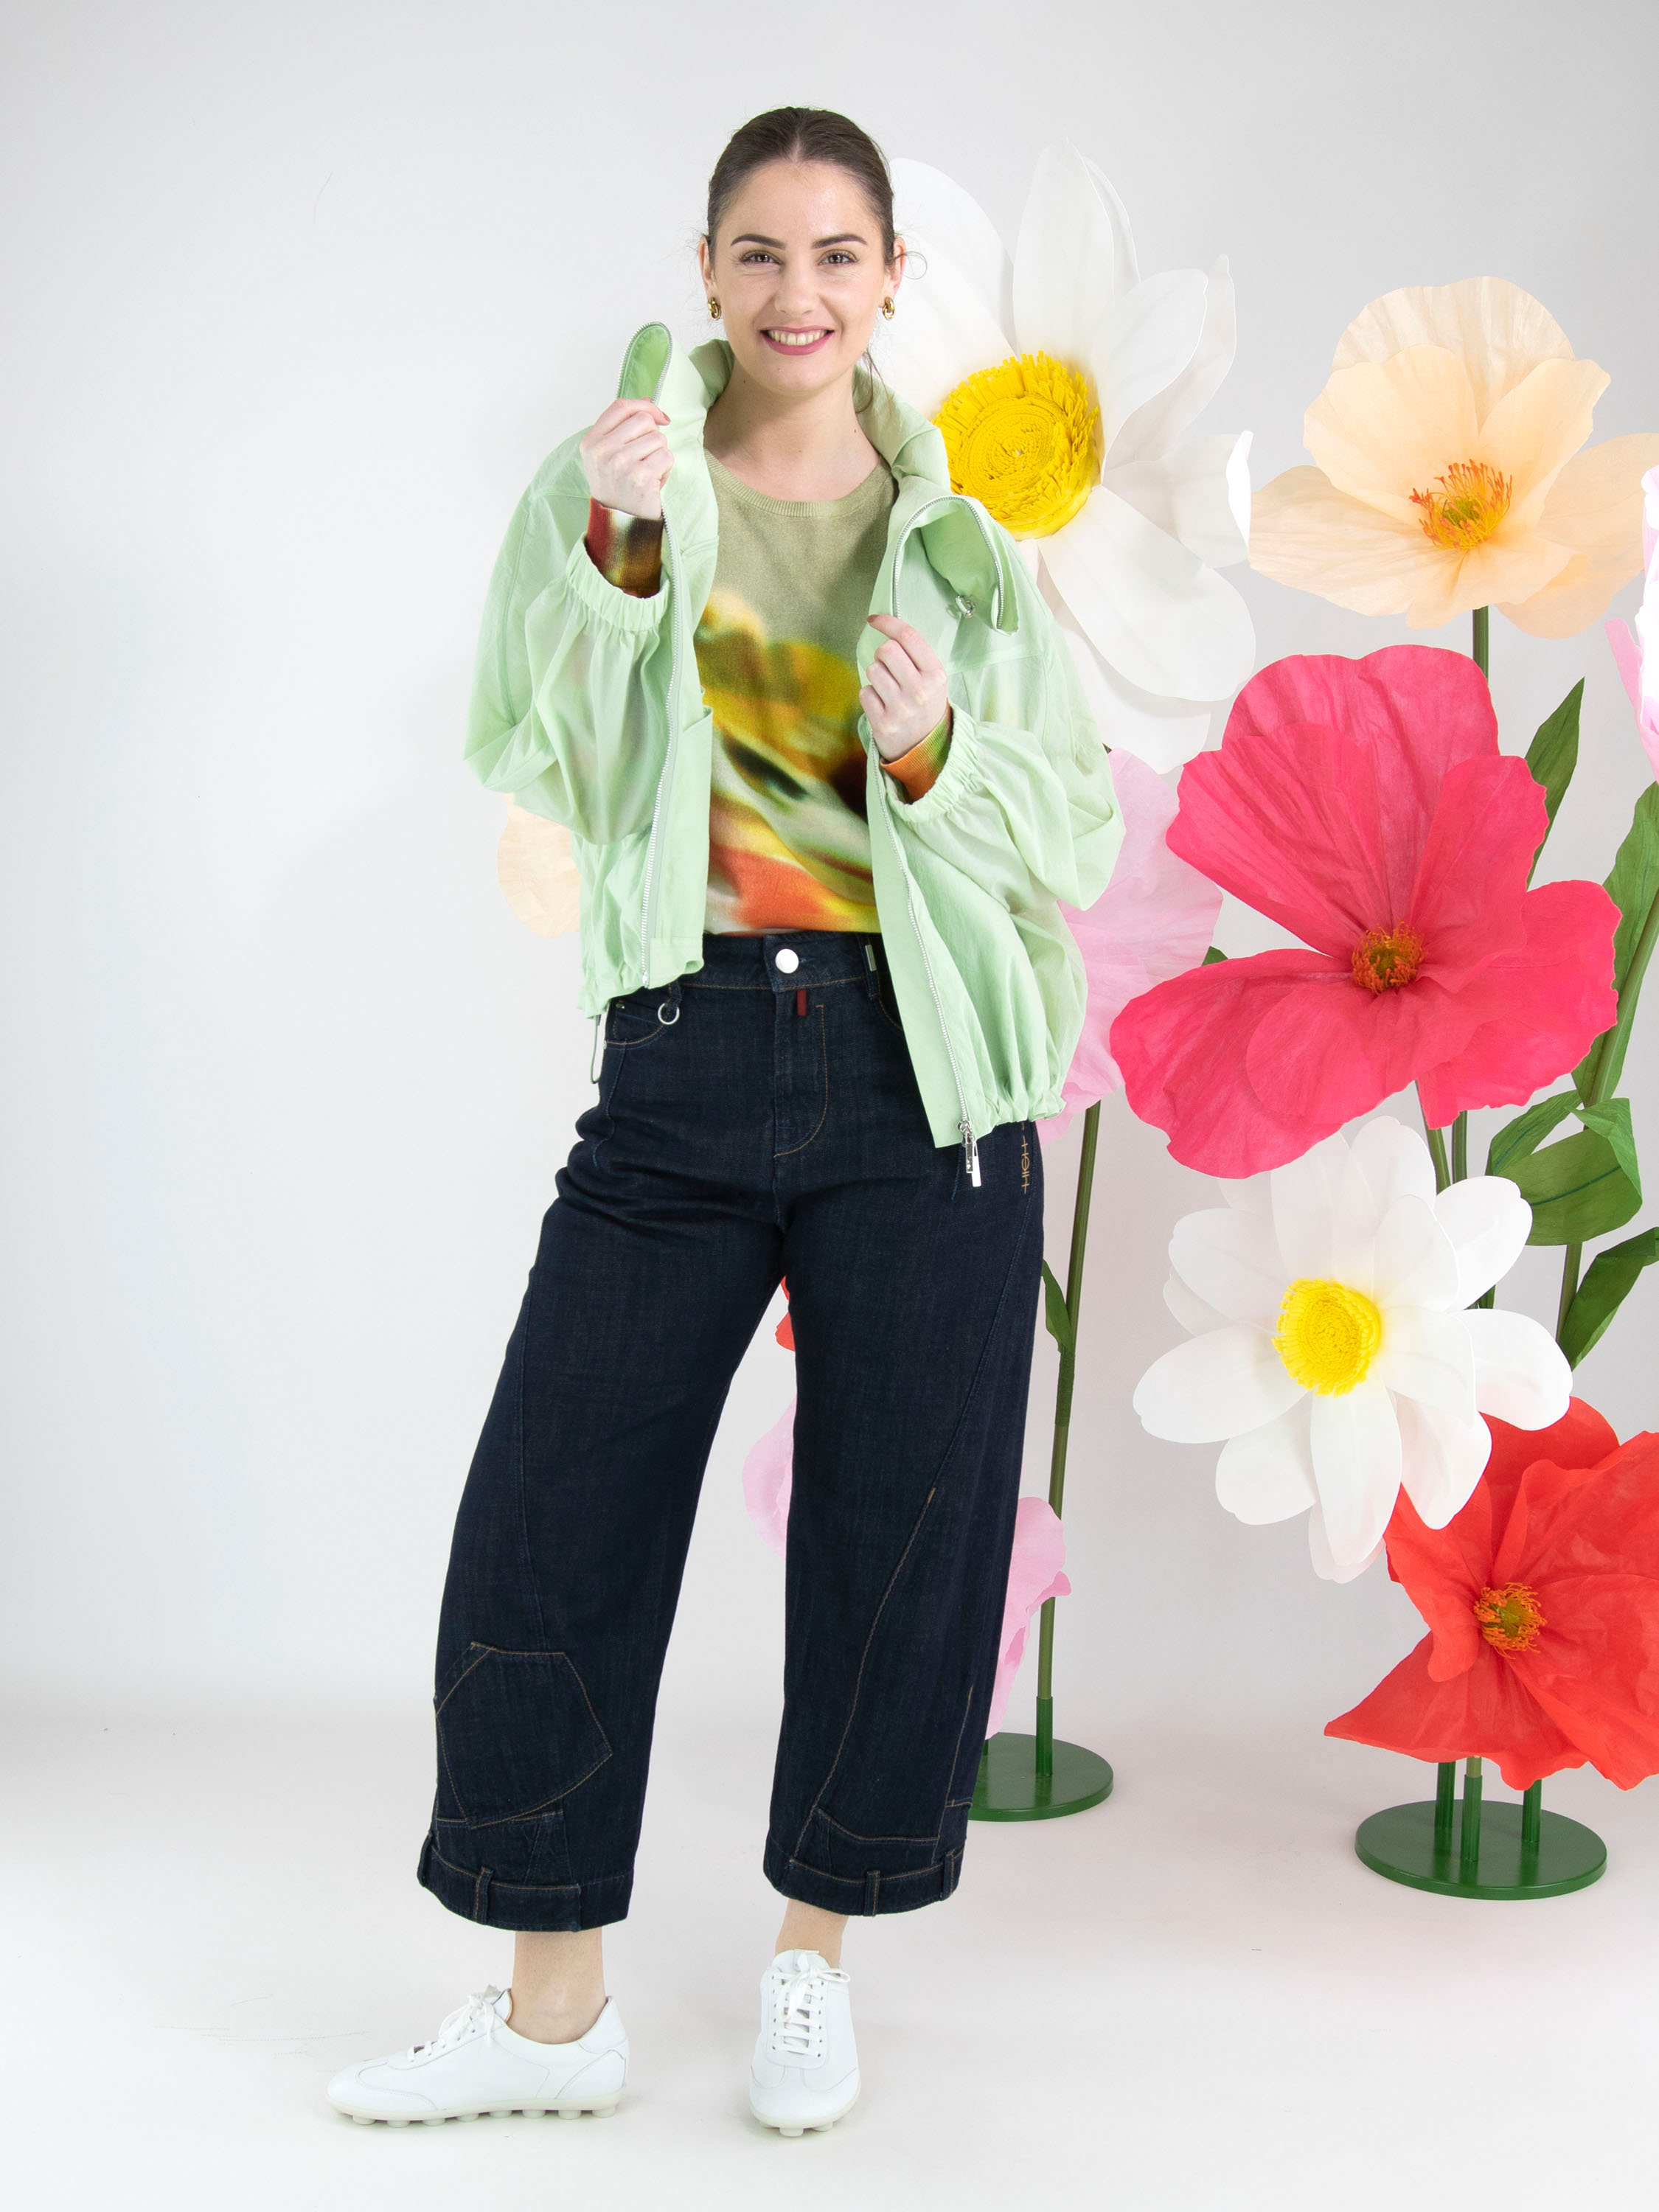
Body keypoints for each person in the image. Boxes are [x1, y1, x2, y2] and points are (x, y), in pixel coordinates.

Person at [327, 105, 1121, 2139]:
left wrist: (936, 751)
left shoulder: (963, 540)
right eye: (759, 253)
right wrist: (616, 560)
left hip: (922, 1074)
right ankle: (550, 2014)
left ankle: (810, 1967)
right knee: (551, 1513)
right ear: (704, 270)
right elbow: (543, 754)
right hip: (681, 1057)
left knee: (898, 1537)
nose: (797, 293)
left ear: (890, 281)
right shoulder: (617, 482)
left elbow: (1073, 833)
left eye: (838, 254)